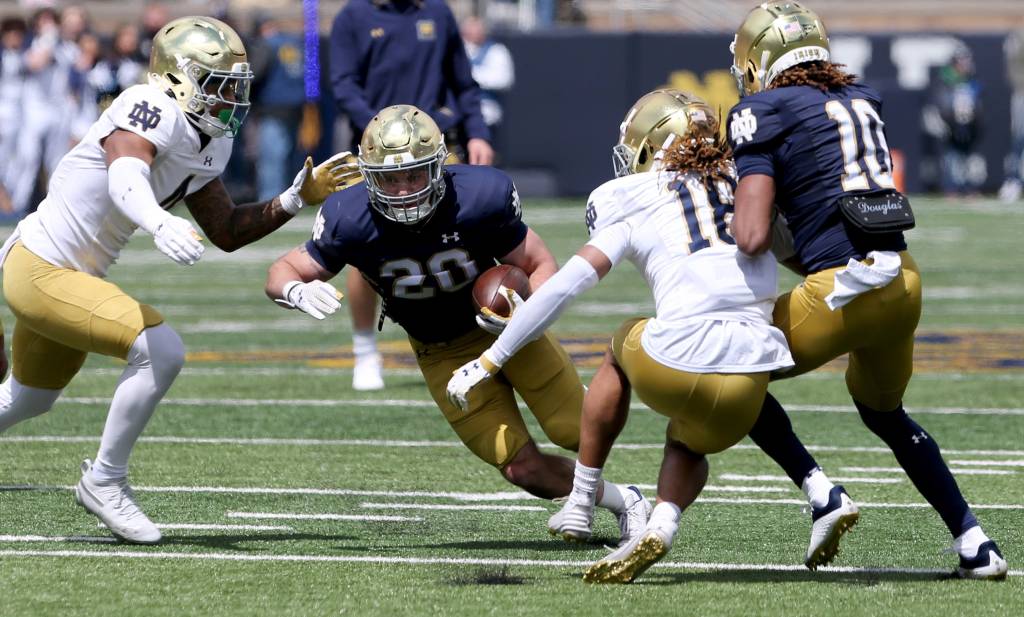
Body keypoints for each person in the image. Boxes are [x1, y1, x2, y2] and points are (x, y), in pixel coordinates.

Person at [0, 16, 357, 545]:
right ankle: (104, 480)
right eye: (219, 85)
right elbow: (126, 173)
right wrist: (160, 220)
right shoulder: (147, 106)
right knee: (160, 349)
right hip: (41, 266)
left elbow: (227, 230)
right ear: (178, 78)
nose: (230, 98)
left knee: (26, 399)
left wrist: (294, 198)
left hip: (72, 273)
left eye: (236, 86)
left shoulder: (210, 140)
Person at [446, 90, 795, 583]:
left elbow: (564, 286)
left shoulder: (631, 196)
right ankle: (664, 521)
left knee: (620, 344)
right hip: (753, 376)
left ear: (654, 145)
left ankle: (582, 499)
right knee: (688, 444)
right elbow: (794, 247)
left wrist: (491, 359)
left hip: (681, 359)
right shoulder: (750, 184)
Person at [265, 104, 650, 546]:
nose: (404, 190)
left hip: (509, 333)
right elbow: (280, 271)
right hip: (440, 352)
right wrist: (294, 291)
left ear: (440, 166)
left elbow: (540, 264)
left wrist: (523, 313)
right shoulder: (348, 218)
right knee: (521, 469)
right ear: (370, 176)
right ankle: (626, 500)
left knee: (574, 431)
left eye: (413, 175)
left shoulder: (478, 196)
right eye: (391, 178)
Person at [726, 1, 1006, 579]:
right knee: (886, 413)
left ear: (763, 59)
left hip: (845, 289)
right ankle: (975, 542)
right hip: (902, 282)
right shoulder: (860, 98)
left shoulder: (762, 109)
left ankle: (821, 491)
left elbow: (751, 237)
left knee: (724, 368)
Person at [329, 0, 495, 392]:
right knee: (363, 247)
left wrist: (478, 132)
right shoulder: (353, 17)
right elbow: (343, 84)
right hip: (375, 157)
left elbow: (463, 83)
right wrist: (380, 129)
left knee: (467, 234)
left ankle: (476, 339)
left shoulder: (437, 13)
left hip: (434, 150)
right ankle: (365, 349)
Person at [922, 43, 983, 197]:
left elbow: (978, 103)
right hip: (950, 124)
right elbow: (939, 104)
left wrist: (975, 120)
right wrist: (946, 122)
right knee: (951, 157)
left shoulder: (971, 81)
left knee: (968, 158)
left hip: (968, 125)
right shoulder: (946, 79)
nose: (965, 65)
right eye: (962, 61)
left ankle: (968, 187)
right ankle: (951, 187)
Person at [460, 16, 514, 157]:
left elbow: (503, 79)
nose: (474, 32)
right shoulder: (458, 50)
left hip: (487, 117)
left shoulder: (496, 50)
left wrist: (471, 77)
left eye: (477, 27)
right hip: (460, 118)